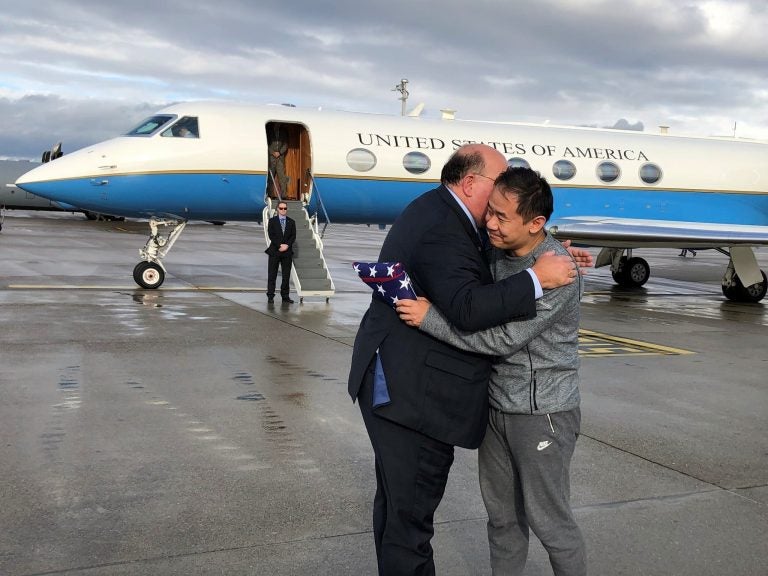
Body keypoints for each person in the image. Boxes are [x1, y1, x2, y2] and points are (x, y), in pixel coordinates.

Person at [348, 144, 591, 575]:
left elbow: (498, 338)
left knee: (548, 522)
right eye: (492, 205)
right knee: (454, 518)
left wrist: (548, 255)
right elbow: (473, 300)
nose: (492, 222)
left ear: (534, 222)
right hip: (432, 400)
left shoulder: (544, 267)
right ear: (471, 184)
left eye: (503, 215)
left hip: (539, 411)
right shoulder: (455, 230)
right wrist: (539, 263)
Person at [264, 202, 296, 303]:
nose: (283, 210)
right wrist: (279, 245)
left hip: (287, 252)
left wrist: (286, 245)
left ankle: (285, 296)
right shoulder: (272, 221)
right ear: (277, 209)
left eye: (285, 208)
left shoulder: (292, 222)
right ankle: (270, 296)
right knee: (272, 275)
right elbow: (271, 235)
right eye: (281, 208)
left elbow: (293, 236)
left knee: (286, 276)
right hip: (275, 251)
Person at [268, 129, 289, 198]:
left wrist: (280, 152)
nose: (277, 126)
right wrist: (272, 152)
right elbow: (267, 144)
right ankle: (270, 195)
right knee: (271, 177)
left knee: (282, 177)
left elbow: (285, 145)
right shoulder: (270, 132)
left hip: (280, 158)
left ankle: (284, 195)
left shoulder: (283, 133)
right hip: (271, 158)